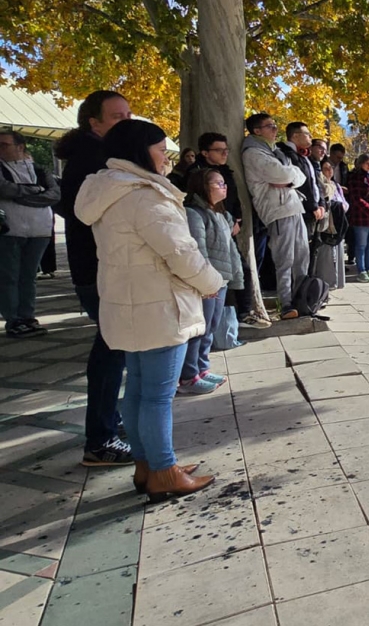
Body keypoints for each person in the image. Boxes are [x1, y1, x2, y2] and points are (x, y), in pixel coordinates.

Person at [75, 118, 223, 502]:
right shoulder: (144, 195)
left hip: (130, 304)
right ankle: (163, 470)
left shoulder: (108, 191)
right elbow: (179, 253)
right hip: (158, 306)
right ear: (142, 151)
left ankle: (148, 465)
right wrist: (211, 283)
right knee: (156, 395)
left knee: (138, 389)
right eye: (161, 150)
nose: (166, 158)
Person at [55, 89, 134, 466]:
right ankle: (100, 439)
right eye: (118, 116)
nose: (127, 121)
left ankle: (108, 426)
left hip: (99, 268)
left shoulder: (96, 156)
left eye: (128, 114)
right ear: (94, 122)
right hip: (100, 270)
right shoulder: (93, 160)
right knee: (110, 352)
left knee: (112, 350)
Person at [192, 132, 268, 331]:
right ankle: (240, 313)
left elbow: (231, 200)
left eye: (226, 149)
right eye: (219, 150)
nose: (225, 153)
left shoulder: (225, 170)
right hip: (213, 232)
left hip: (228, 224)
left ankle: (241, 312)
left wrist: (235, 220)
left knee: (240, 269)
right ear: (205, 152)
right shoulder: (198, 173)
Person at [180, 168, 243, 394]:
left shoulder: (222, 214)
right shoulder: (194, 214)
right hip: (207, 282)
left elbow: (230, 250)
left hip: (221, 280)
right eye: (218, 184)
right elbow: (199, 251)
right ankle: (188, 376)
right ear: (203, 187)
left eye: (224, 183)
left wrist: (235, 275)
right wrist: (206, 283)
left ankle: (202, 368)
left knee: (211, 327)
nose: (223, 187)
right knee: (199, 329)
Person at [242, 114, 310, 318]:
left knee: (302, 256)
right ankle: (286, 303)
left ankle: (303, 298)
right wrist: (288, 176)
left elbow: (298, 174)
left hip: (294, 206)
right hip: (278, 210)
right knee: (285, 259)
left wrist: (289, 178)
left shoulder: (275, 151)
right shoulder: (253, 152)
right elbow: (282, 174)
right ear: (257, 131)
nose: (275, 129)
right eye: (270, 126)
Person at [0, 129, 60, 338]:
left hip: (39, 230)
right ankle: (13, 318)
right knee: (9, 276)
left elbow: (53, 195)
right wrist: (35, 191)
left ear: (20, 147)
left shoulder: (40, 170)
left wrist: (23, 194)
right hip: (10, 230)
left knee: (28, 276)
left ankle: (27, 315)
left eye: (4, 145)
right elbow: (5, 189)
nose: (0, 149)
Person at [277, 122, 327, 236]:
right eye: (307, 134)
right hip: (299, 210)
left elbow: (314, 182)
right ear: (295, 136)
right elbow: (302, 184)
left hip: (313, 211)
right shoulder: (285, 154)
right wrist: (313, 206)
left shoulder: (306, 156)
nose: (310, 137)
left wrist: (322, 204)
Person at [314, 159, 348, 289]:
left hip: (338, 221)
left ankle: (336, 281)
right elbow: (326, 198)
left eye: (331, 168)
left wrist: (342, 206)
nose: (329, 171)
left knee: (338, 251)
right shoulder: (321, 184)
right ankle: (325, 282)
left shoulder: (336, 185)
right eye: (326, 168)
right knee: (326, 254)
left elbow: (344, 201)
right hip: (326, 223)